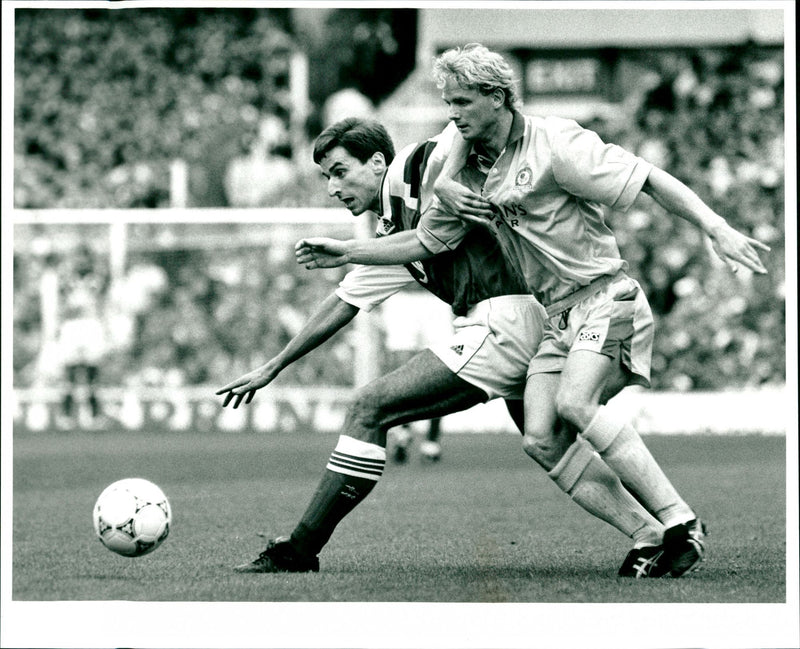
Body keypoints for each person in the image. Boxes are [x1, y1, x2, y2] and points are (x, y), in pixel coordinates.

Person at [296, 44, 769, 578]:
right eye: (447, 102)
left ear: (497, 98)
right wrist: (349, 249)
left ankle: (681, 523)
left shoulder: (556, 144)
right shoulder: (473, 171)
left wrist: (716, 227)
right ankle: (648, 536)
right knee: (541, 438)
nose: (452, 114)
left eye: (462, 102)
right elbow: (426, 241)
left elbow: (648, 178)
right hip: (556, 319)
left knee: (574, 403)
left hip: (605, 297)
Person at [218, 117, 670, 576]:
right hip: (531, 322)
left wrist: (451, 173)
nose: (333, 187)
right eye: (326, 177)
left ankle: (300, 548)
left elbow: (463, 129)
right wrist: (273, 366)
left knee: (369, 407)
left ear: (377, 163)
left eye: (339, 171)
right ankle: (657, 532)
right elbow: (344, 301)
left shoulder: (416, 168)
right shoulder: (394, 234)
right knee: (548, 443)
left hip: (507, 320)